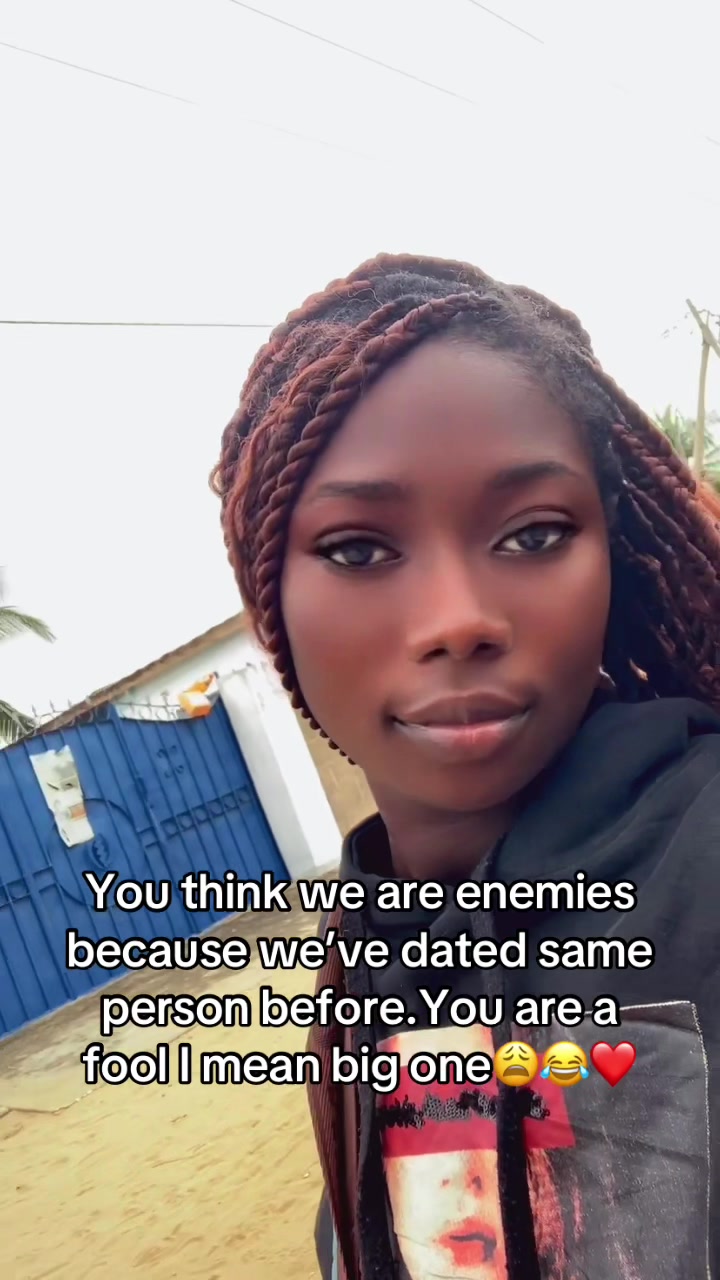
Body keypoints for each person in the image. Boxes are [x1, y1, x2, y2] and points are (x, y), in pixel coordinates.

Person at [212, 254, 720, 1280]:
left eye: (534, 534)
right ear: (270, 604)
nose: (458, 620)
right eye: (359, 550)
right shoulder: (361, 964)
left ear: (614, 559)